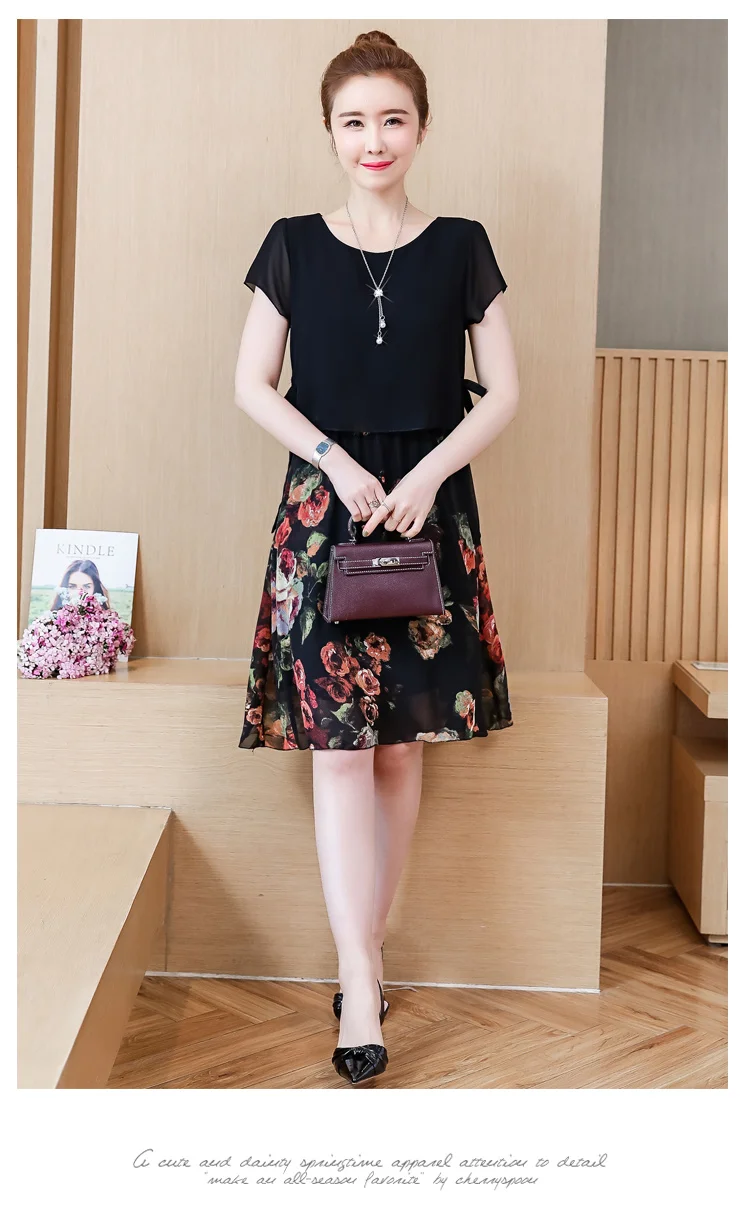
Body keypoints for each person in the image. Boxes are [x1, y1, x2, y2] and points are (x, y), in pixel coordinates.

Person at [234, 30, 519, 1085]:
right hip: (326, 513)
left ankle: (369, 948)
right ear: (329, 131)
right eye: (354, 120)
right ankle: (359, 975)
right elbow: (252, 383)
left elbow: (506, 392)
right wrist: (335, 461)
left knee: (401, 747)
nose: (374, 138)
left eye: (392, 118)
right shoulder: (291, 245)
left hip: (429, 508)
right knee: (339, 749)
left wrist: (429, 475)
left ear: (422, 127)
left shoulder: (463, 245)